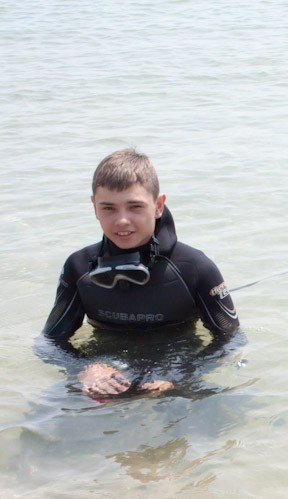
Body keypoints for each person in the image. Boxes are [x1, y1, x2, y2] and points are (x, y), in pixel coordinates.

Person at [41, 149, 240, 399]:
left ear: (158, 206)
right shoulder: (79, 267)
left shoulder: (194, 267)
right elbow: (50, 343)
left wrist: (178, 376)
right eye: (109, 208)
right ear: (94, 207)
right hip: (104, 376)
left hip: (174, 376)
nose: (122, 220)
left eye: (135, 207)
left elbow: (230, 339)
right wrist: (84, 369)